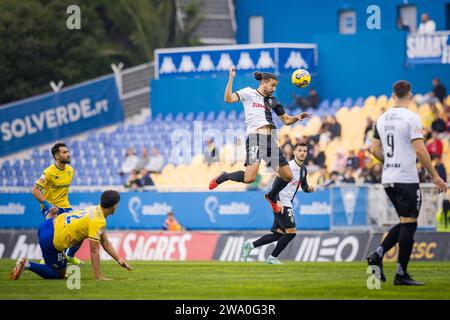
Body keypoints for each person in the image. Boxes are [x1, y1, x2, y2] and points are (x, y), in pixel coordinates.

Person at [367, 80, 447, 286]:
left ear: (393, 95)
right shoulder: (412, 118)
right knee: (410, 224)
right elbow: (420, 150)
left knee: (405, 222)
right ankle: (400, 273)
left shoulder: (382, 118)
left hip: (389, 178)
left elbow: (374, 150)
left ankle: (378, 254)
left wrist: (389, 163)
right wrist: (435, 177)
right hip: (406, 177)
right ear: (410, 95)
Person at [209, 67, 311, 213]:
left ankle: (271, 196)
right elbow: (228, 99)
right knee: (249, 178)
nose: (274, 89)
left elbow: (286, 120)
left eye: (275, 86)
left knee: (288, 176)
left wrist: (298, 118)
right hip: (255, 138)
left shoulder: (273, 101)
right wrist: (231, 78)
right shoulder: (248, 93)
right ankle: (224, 176)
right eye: (272, 85)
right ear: (263, 82)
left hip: (270, 140)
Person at [10, 190, 133, 280]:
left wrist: (119, 259)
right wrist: (98, 276)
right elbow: (95, 250)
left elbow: (105, 242)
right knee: (58, 274)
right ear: (114, 205)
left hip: (47, 225)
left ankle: (68, 256)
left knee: (82, 235)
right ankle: (26, 264)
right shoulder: (98, 221)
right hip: (51, 239)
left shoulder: (95, 210)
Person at [241, 143, 314, 264]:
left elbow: (304, 186)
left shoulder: (304, 169)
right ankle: (272, 257)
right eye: (300, 150)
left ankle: (250, 245)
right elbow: (276, 185)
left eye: (304, 151)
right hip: (281, 201)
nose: (302, 153)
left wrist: (309, 189)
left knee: (278, 235)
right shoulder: (287, 167)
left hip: (287, 202)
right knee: (291, 233)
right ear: (294, 152)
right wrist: (276, 201)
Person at [31, 142, 82, 266]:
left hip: (65, 206)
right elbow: (35, 190)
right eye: (64, 152)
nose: (68, 154)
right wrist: (48, 205)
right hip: (50, 207)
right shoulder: (48, 172)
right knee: (53, 232)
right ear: (57, 156)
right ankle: (45, 258)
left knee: (81, 231)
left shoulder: (70, 171)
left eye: (68, 151)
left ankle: (69, 256)